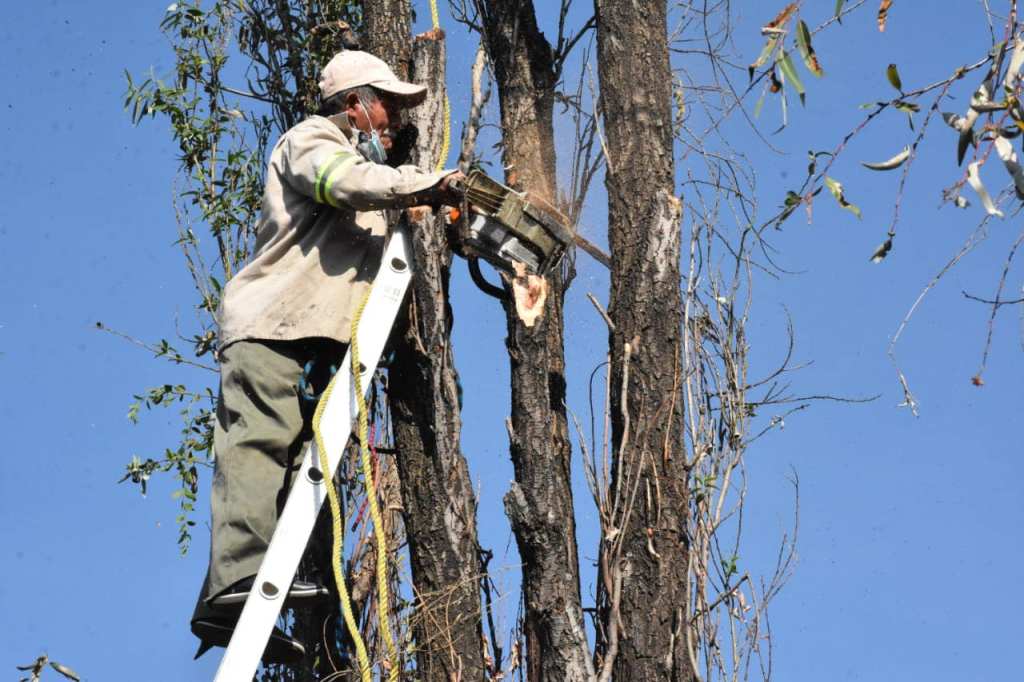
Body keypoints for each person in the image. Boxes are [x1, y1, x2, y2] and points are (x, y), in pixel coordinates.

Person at [190, 49, 463, 664]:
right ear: (354, 105)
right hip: (272, 327)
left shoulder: (363, 176)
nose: (396, 119)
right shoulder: (312, 141)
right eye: (387, 105)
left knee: (294, 470)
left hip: (308, 336)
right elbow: (343, 182)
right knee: (258, 447)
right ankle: (235, 582)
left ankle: (245, 599)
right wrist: (425, 181)